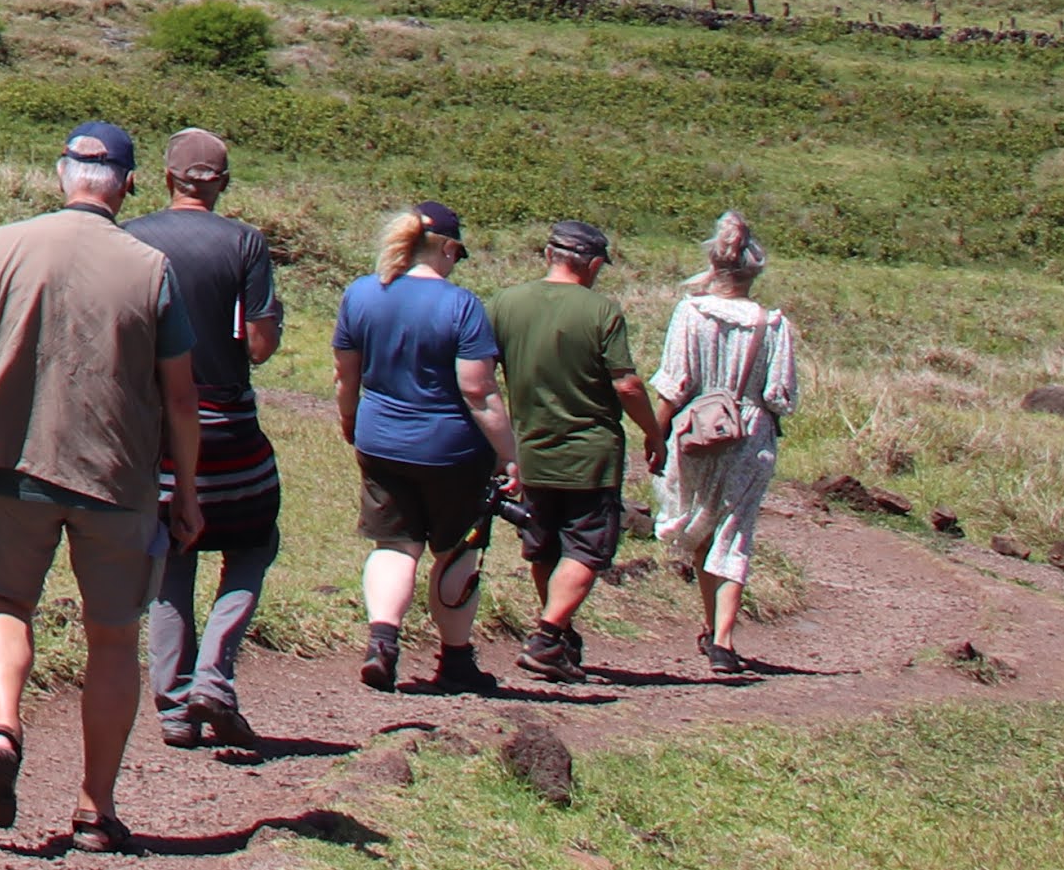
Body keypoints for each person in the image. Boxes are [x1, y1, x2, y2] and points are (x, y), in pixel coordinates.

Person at [0, 121, 204, 850]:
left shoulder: (9, 242)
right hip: (117, 480)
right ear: (129, 184)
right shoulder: (152, 267)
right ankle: (94, 808)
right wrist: (189, 494)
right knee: (113, 638)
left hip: (14, 466)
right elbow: (181, 396)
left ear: (63, 174)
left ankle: (2, 726)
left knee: (7, 602)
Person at [128, 128, 285, 746]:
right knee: (254, 542)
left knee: (171, 557)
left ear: (166, 177)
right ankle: (214, 675)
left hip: (155, 431)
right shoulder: (245, 243)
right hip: (228, 426)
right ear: (221, 183)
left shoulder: (131, 238)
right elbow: (262, 345)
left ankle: (172, 706)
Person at [331, 199, 513, 694]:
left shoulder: (362, 294)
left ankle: (383, 642)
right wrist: (509, 451)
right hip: (451, 451)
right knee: (456, 551)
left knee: (395, 543)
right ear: (449, 249)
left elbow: (346, 376)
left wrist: (350, 421)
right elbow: (478, 390)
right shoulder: (461, 305)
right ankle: (455, 661)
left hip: (381, 440)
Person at [482, 221, 664, 678]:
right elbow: (626, 383)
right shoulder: (602, 310)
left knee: (543, 547)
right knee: (587, 548)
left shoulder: (505, 303)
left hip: (528, 450)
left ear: (548, 255)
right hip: (590, 454)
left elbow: (480, 376)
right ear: (595, 264)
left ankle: (560, 636)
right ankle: (547, 636)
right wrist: (653, 432)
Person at [653, 212, 802, 677]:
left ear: (714, 266)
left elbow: (675, 384)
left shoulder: (690, 312)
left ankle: (710, 625)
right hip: (751, 437)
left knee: (700, 524)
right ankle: (723, 639)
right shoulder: (773, 324)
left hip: (697, 431)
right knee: (735, 534)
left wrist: (654, 432)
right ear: (754, 272)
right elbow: (782, 397)